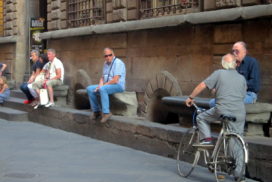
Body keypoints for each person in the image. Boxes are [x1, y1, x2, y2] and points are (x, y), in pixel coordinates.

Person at [186, 53, 247, 145]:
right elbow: (242, 96)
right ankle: (238, 159)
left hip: (223, 110)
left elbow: (202, 85)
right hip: (240, 112)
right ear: (234, 64)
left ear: (223, 64)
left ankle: (207, 140)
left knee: (201, 118)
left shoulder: (219, 73)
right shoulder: (242, 78)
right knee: (237, 140)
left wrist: (190, 97)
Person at [209, 41, 260, 108]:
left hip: (248, 94)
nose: (234, 53)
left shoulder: (252, 62)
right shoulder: (231, 63)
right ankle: (221, 118)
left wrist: (235, 84)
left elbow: (255, 86)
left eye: (237, 51)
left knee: (228, 102)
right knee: (212, 102)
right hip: (231, 95)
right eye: (233, 51)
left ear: (244, 52)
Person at [86, 48, 126, 123]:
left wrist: (102, 86)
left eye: (110, 55)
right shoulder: (105, 63)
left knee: (103, 89)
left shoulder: (118, 63)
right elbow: (102, 77)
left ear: (113, 55)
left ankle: (106, 113)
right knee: (89, 89)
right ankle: (96, 111)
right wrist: (99, 85)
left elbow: (115, 80)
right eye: (106, 56)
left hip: (118, 85)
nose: (108, 57)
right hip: (107, 85)